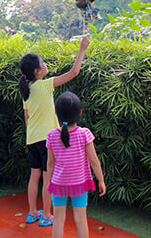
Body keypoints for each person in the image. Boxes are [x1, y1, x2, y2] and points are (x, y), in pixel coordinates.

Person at [18, 37, 90, 227]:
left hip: (31, 138)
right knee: (48, 176)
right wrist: (82, 49)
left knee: (34, 176)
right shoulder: (44, 85)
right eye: (42, 63)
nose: (45, 64)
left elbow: (27, 118)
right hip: (47, 139)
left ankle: (32, 212)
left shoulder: (27, 91)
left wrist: (33, 132)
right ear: (37, 71)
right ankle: (47, 215)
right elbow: (74, 72)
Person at [46, 91, 106, 238]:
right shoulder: (84, 134)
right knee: (80, 219)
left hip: (58, 184)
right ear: (80, 113)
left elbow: (50, 163)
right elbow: (94, 160)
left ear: (57, 113)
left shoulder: (52, 135)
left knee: (58, 220)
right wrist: (101, 180)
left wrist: (48, 182)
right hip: (79, 184)